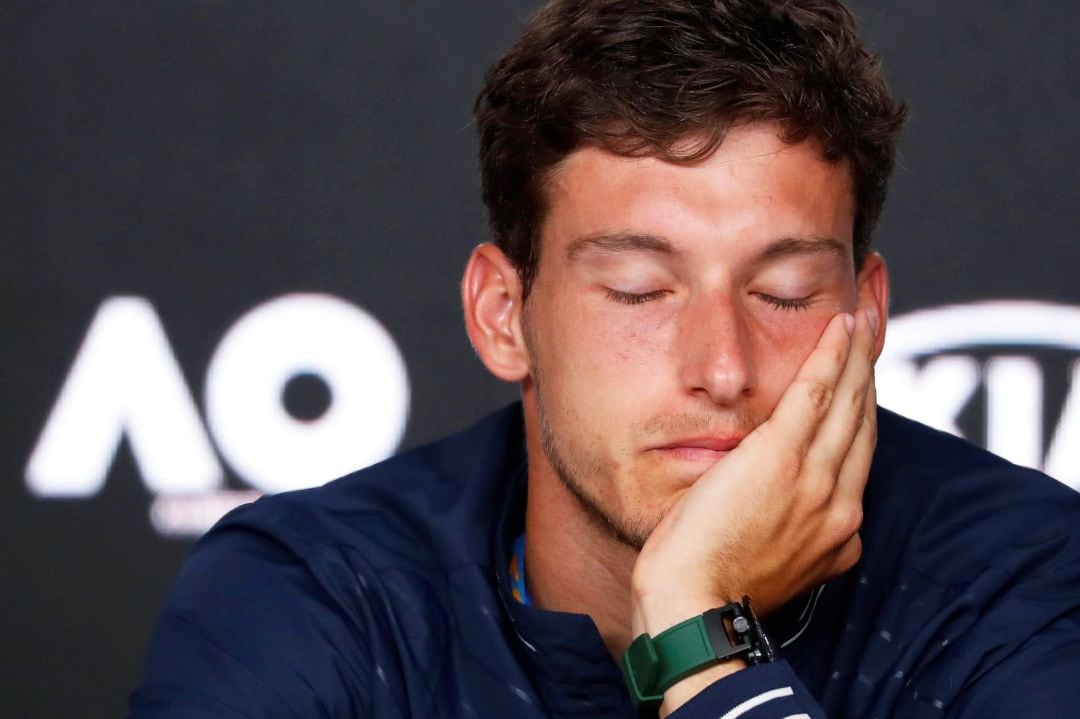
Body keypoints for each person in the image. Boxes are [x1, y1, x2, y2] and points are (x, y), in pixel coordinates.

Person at [129, 1, 1080, 717]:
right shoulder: (315, 596)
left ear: (867, 318)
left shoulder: (1020, 576)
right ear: (505, 314)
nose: (722, 366)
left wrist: (701, 630)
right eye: (637, 289)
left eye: (783, 293)